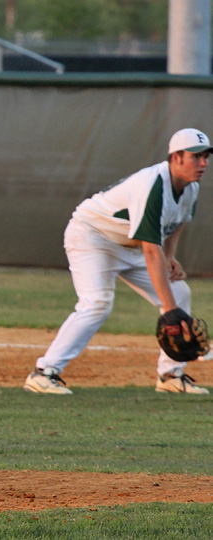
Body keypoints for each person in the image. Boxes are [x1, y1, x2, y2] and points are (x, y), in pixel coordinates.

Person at [24, 128, 212, 395]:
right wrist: (169, 311)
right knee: (97, 303)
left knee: (179, 292)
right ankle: (44, 372)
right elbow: (150, 251)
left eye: (205, 156)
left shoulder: (191, 187)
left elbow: (178, 222)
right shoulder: (152, 185)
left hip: (129, 244)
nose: (203, 163)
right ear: (176, 158)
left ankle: (170, 375)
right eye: (195, 157)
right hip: (93, 237)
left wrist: (170, 257)